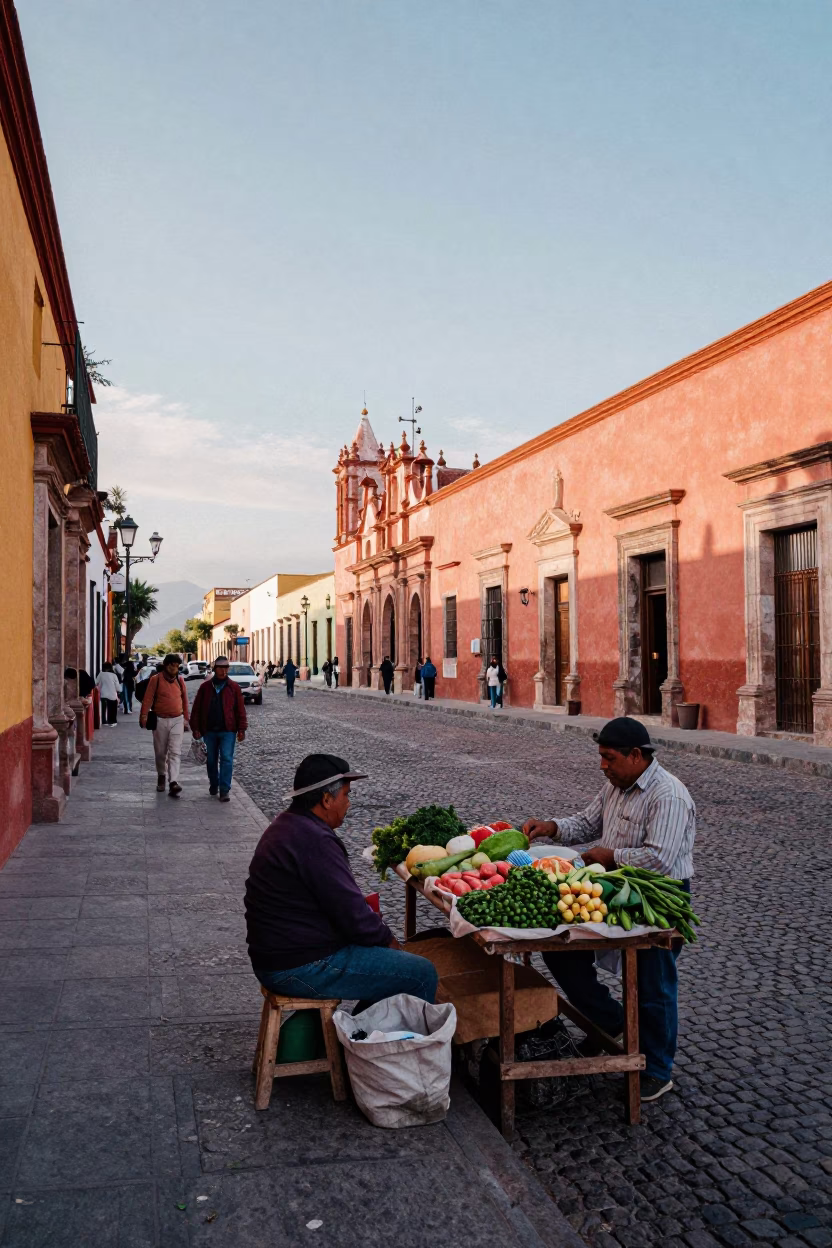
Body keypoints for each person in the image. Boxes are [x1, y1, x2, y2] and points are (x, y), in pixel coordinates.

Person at [523, 716, 696, 1102]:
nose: (603, 765)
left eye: (609, 758)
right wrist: (551, 827)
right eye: (601, 757)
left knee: (653, 984)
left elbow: (661, 859)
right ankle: (609, 1022)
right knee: (563, 951)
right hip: (613, 886)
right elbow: (588, 821)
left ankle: (656, 1069)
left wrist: (610, 855)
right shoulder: (617, 785)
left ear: (636, 756)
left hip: (659, 895)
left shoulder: (668, 795)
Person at [245, 754, 438, 1007]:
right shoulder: (314, 839)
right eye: (346, 795)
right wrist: (390, 943)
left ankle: (360, 1033)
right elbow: (352, 914)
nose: (348, 803)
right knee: (420, 973)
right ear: (326, 799)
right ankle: (383, 1043)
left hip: (279, 953)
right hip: (296, 964)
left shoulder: (287, 824)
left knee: (391, 966)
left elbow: (340, 903)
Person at [190, 656, 247, 802]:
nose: (223, 671)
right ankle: (214, 784)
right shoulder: (205, 687)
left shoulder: (233, 687)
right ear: (215, 669)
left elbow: (240, 709)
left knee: (227, 759)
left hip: (228, 730)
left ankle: (224, 789)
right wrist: (195, 727)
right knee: (211, 760)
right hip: (209, 730)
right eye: (221, 668)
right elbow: (196, 708)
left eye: (226, 668)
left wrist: (242, 729)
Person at [139, 654, 190, 797]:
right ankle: (161, 775)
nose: (174, 668)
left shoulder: (180, 681)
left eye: (176, 666)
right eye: (171, 665)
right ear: (166, 665)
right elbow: (148, 699)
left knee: (175, 752)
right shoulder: (156, 680)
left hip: (177, 720)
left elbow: (184, 700)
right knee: (160, 752)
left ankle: (173, 781)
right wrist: (143, 715)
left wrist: (186, 718)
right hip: (160, 720)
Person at [96, 661, 120, 727]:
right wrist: (119, 691)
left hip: (103, 694)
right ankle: (112, 721)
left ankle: (104, 721)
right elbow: (117, 686)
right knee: (112, 709)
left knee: (104, 708)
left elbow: (96, 682)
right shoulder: (114, 675)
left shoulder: (101, 674)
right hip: (112, 695)